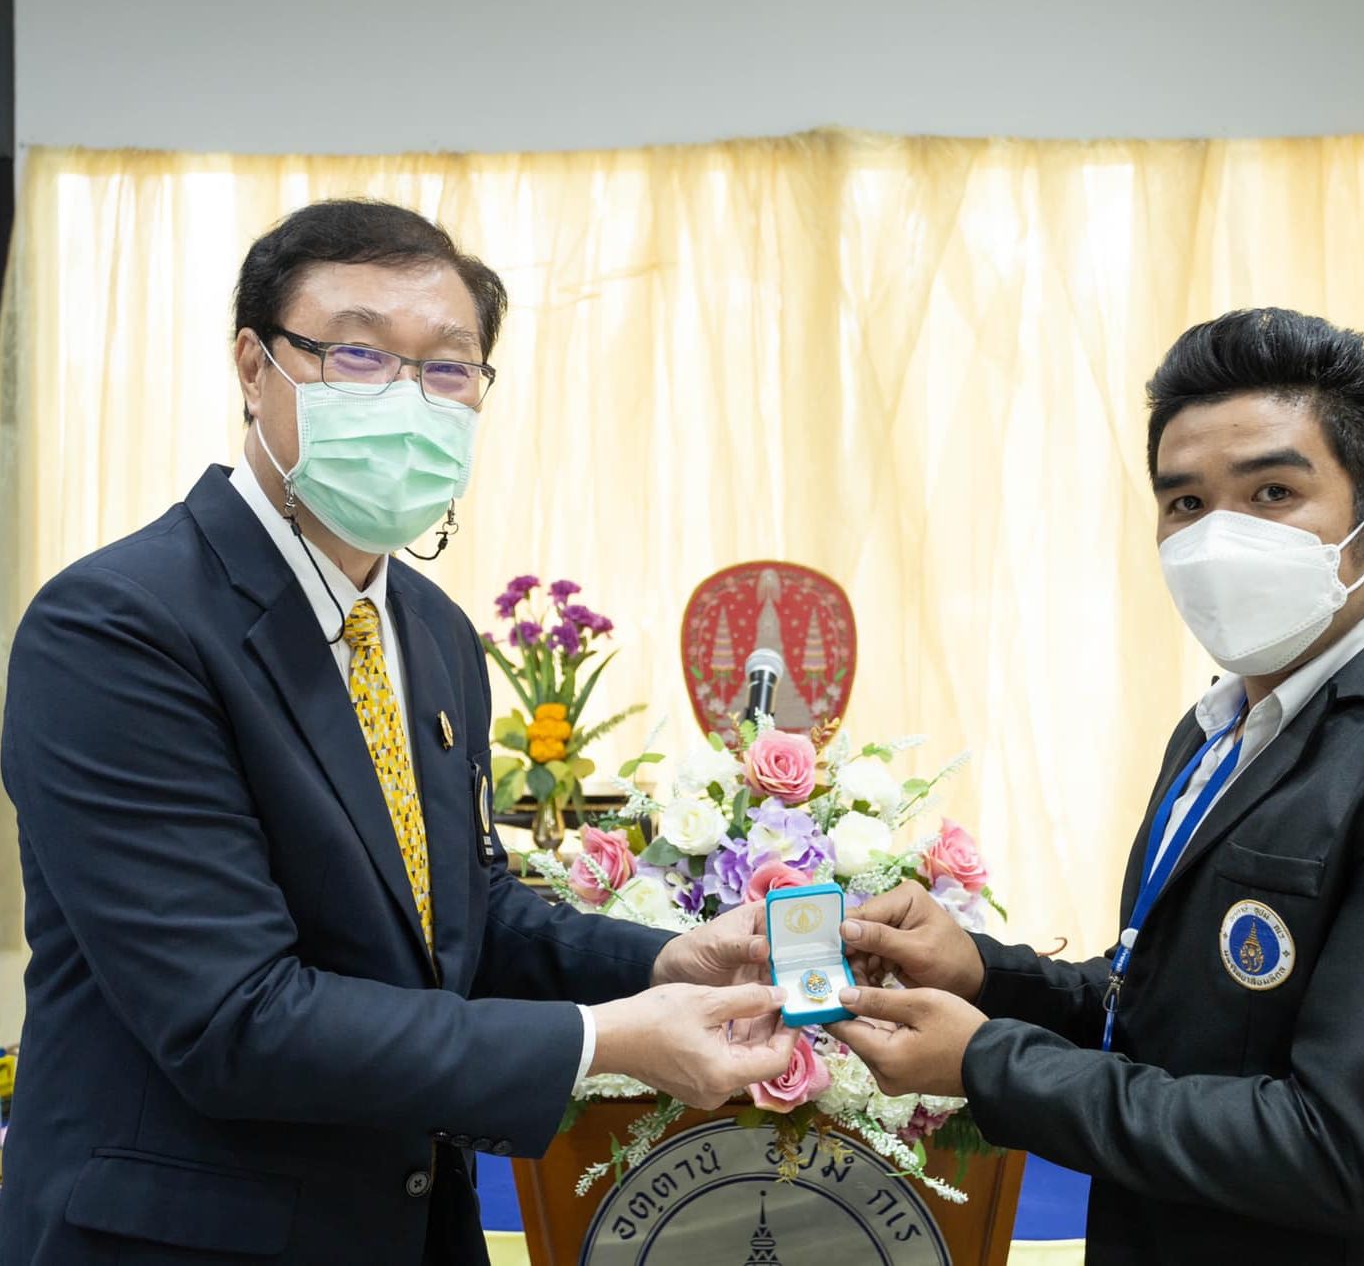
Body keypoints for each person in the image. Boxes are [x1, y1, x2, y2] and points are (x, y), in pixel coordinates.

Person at [0, 200, 796, 1265]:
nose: (407, 398)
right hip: (184, 1236)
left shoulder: (430, 628)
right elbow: (233, 1016)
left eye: (447, 368)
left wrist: (666, 961)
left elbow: (462, 914)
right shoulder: (118, 626)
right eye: (359, 354)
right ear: (254, 367)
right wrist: (602, 1039)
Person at [829, 309, 1364, 1264]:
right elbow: (1156, 1005)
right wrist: (982, 975)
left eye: (1273, 492)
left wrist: (988, 1063)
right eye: (1186, 504)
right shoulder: (1215, 730)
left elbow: (1333, 1149)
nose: (1218, 539)